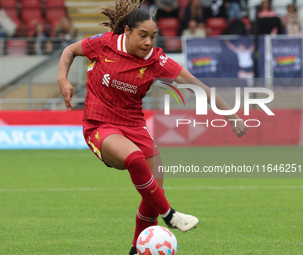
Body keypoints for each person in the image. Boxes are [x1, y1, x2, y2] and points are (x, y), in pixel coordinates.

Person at [57, 1, 248, 254]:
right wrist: (63, 77)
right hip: (99, 124)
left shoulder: (156, 60)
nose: (148, 42)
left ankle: (137, 249)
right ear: (126, 32)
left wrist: (231, 115)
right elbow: (70, 50)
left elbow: (197, 85)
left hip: (134, 125)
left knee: (154, 188)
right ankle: (170, 215)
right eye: (143, 35)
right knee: (135, 159)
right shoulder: (104, 43)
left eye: (153, 36)